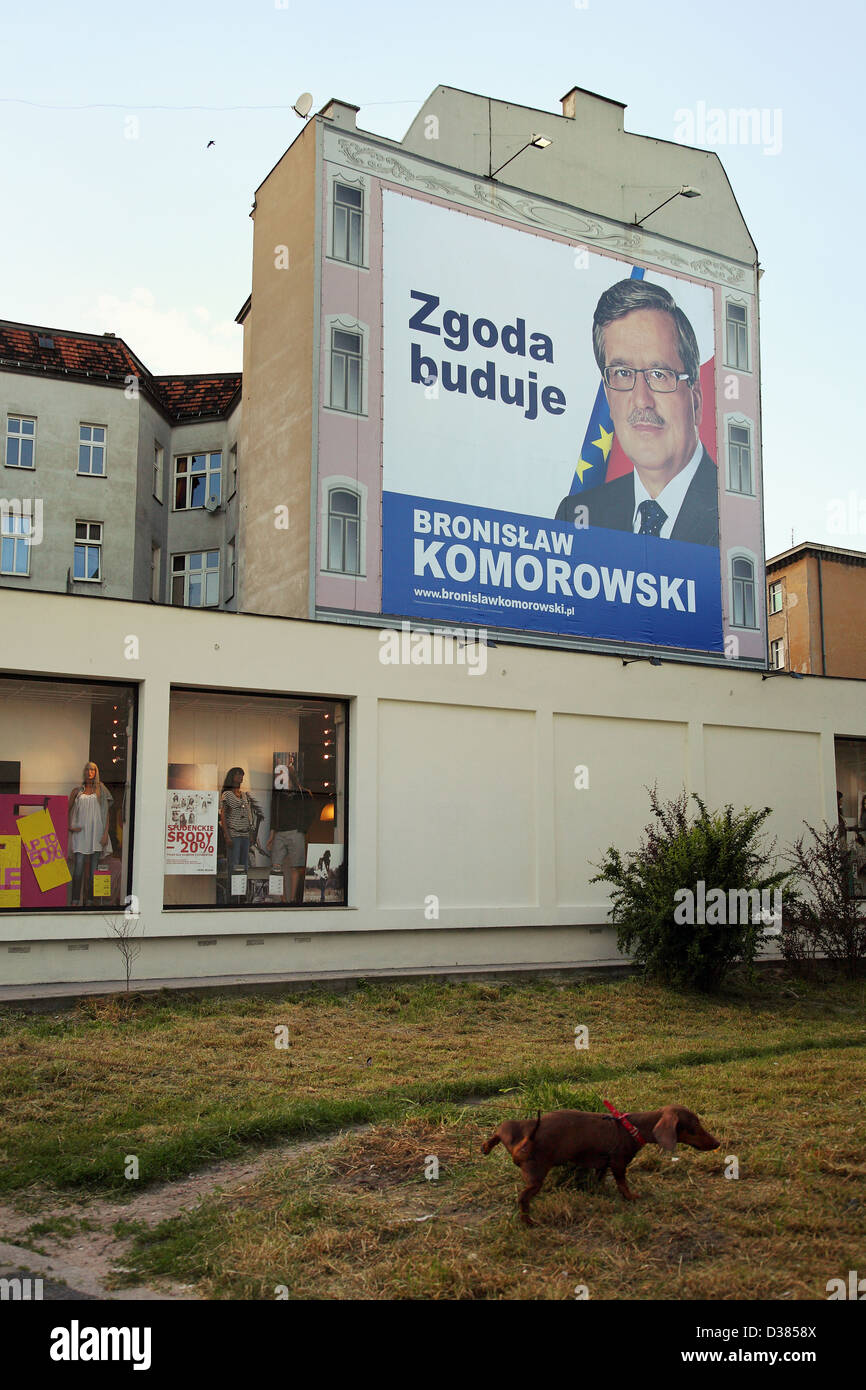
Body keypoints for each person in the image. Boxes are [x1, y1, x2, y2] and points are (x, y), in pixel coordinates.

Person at [556, 278, 719, 546]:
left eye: (659, 374)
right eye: (622, 373)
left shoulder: (729, 511)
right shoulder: (575, 516)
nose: (642, 400)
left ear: (696, 399)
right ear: (608, 397)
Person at [266, 763, 316, 904]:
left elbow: (312, 812)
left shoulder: (302, 793)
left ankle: (293, 898)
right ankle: (282, 898)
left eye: (284, 773)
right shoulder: (278, 795)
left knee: (296, 865)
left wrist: (303, 829)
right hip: (280, 833)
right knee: (276, 865)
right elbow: (274, 816)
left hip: (296, 832)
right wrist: (271, 835)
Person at [68, 761, 112, 907]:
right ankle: (75, 900)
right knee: (79, 867)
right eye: (87, 769)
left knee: (93, 869)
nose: (90, 772)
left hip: (96, 833)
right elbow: (65, 811)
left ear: (96, 772)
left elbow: (106, 813)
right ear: (84, 772)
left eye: (92, 770)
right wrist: (70, 827)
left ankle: (90, 900)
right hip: (81, 833)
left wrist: (105, 833)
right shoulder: (77, 791)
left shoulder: (101, 789)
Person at [219, 768, 257, 887]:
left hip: (245, 834)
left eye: (242, 774)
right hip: (234, 834)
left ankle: (242, 893)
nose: (240, 777)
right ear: (232, 776)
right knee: (234, 865)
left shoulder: (244, 795)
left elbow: (248, 815)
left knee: (244, 865)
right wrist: (227, 835)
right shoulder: (227, 795)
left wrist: (251, 833)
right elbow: (223, 815)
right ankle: (233, 895)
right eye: (238, 774)